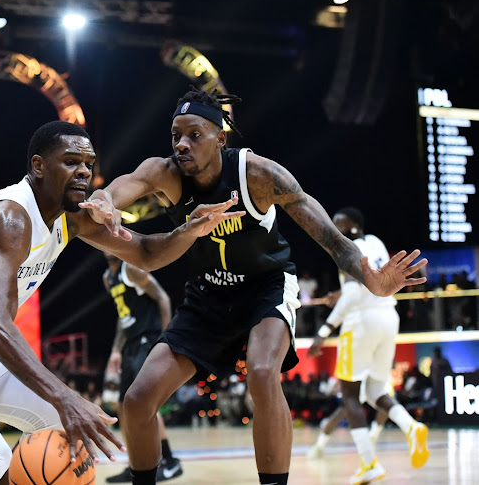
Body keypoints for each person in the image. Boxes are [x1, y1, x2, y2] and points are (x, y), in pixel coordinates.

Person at [0, 121, 244, 485]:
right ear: (39, 166)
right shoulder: (10, 217)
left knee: (65, 430)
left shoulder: (70, 219)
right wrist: (65, 395)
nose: (83, 172)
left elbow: (144, 252)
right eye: (71, 162)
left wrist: (189, 231)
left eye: (89, 165)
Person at [86, 88, 428, 485]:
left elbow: (333, 240)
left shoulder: (259, 175)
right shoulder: (165, 173)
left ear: (221, 138)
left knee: (263, 373)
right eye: (175, 134)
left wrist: (371, 280)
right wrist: (105, 200)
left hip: (266, 288)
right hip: (208, 296)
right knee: (137, 399)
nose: (181, 144)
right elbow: (122, 186)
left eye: (194, 135)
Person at [308, 207, 430, 484]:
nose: (334, 227)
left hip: (361, 322)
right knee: (375, 390)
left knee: (349, 395)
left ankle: (368, 463)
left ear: (353, 226)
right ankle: (411, 427)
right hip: (389, 316)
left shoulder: (347, 249)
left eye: (339, 223)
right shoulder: (375, 242)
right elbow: (372, 281)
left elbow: (353, 293)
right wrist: (340, 292)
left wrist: (324, 330)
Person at [101, 253, 182, 482]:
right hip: (130, 344)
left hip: (148, 340)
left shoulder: (131, 269)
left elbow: (163, 298)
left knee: (142, 403)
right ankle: (137, 464)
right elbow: (122, 315)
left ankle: (169, 461)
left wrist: (167, 340)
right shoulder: (108, 278)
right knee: (122, 406)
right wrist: (116, 349)